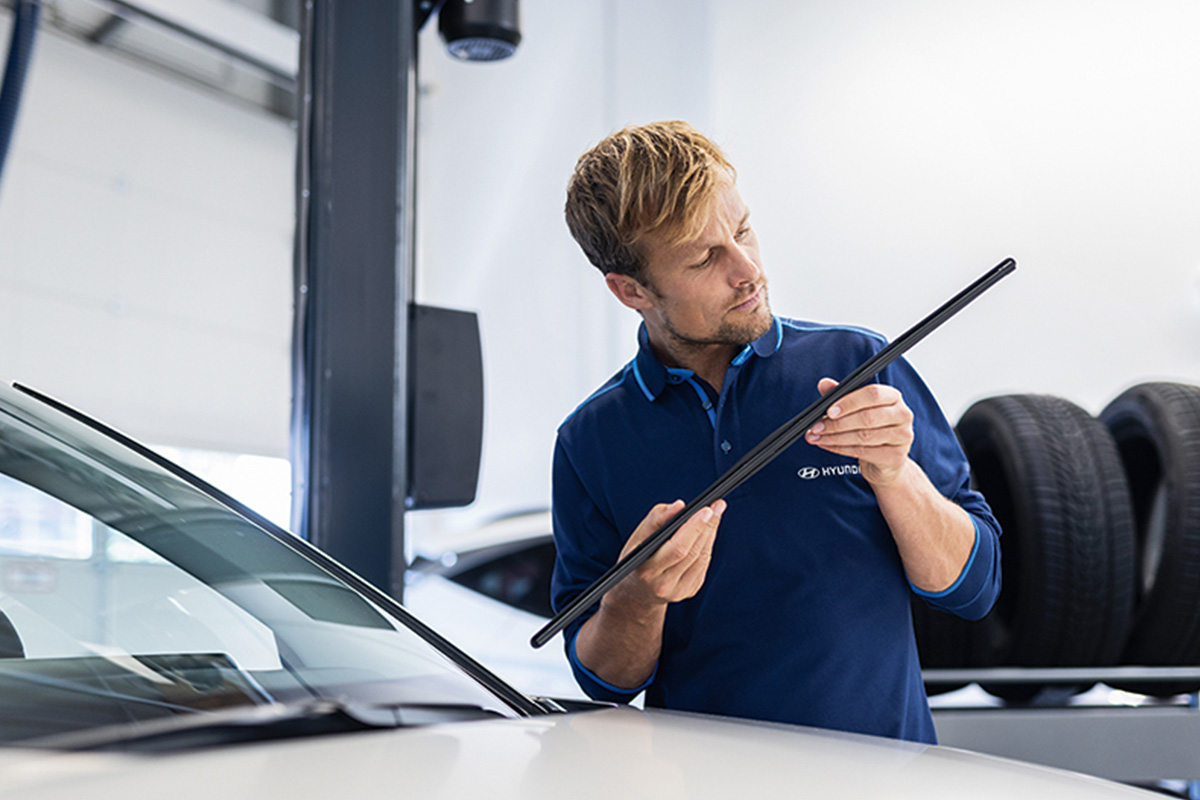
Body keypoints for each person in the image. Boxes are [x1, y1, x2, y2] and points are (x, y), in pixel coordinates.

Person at [549, 120, 1002, 744]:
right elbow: (604, 683)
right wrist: (637, 599)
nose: (748, 269)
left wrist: (898, 477)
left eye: (741, 231)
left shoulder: (858, 366)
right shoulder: (590, 440)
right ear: (630, 290)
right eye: (705, 257)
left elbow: (975, 588)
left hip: (885, 780)